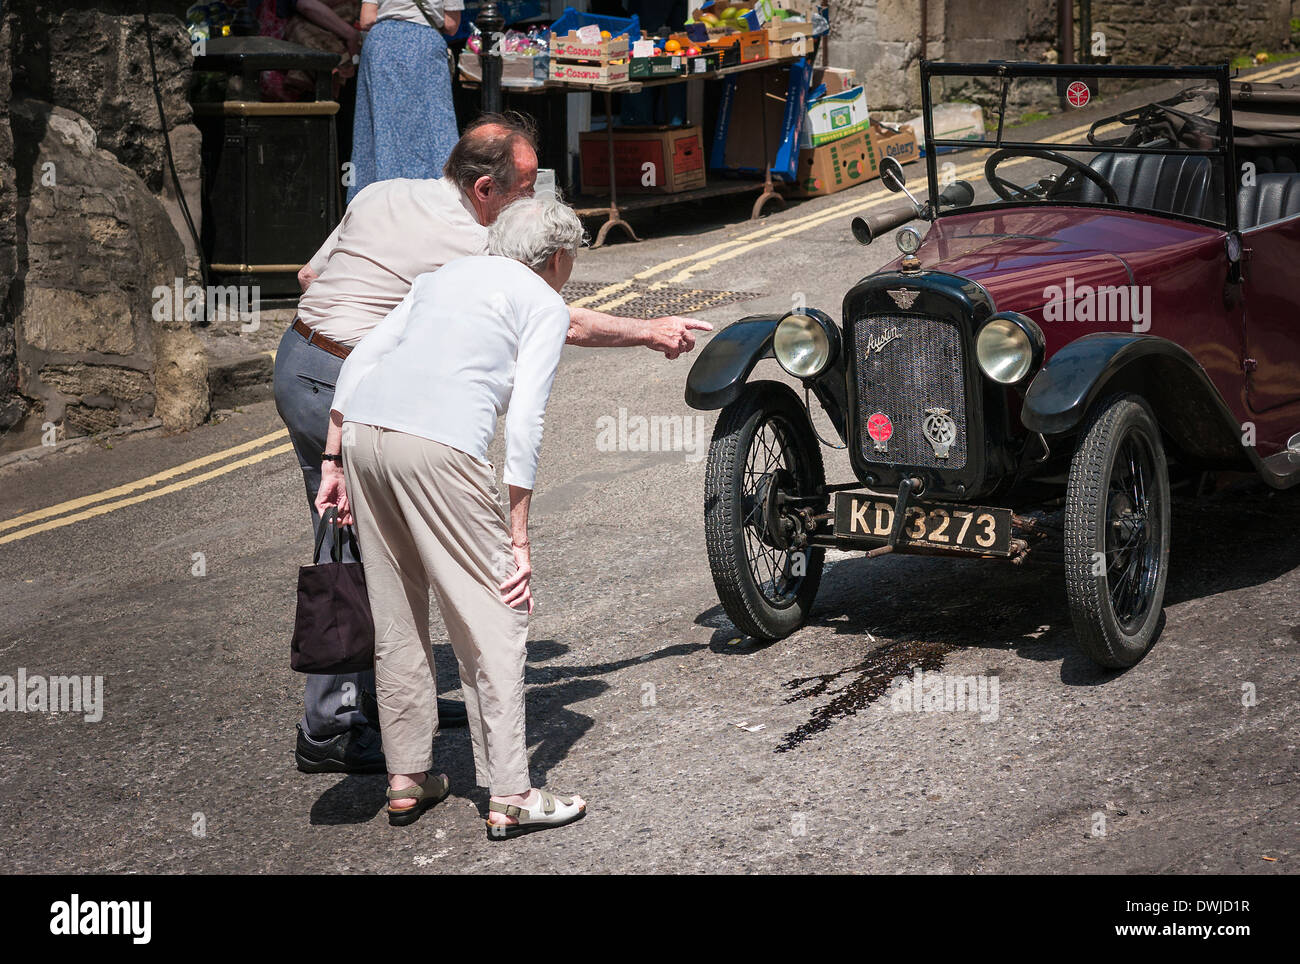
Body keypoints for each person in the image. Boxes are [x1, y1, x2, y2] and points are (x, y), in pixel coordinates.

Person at [278, 113, 709, 776]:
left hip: (302, 362)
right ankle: (332, 726)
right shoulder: (468, 241)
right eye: (526, 186)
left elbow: (311, 275)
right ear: (484, 188)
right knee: (358, 551)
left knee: (372, 543)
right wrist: (649, 330)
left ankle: (396, 710)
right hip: (347, 381)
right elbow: (551, 316)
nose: (533, 201)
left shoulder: (382, 192)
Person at [318, 196, 587, 836]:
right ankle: (513, 793)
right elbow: (525, 420)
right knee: (496, 614)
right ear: (556, 256)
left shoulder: (440, 279)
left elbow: (359, 359)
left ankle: (408, 775)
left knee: (395, 615)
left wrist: (333, 461)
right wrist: (517, 535)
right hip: (440, 446)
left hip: (365, 438)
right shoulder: (545, 302)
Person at [348, 0, 462, 204]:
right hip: (425, 47)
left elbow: (367, 19)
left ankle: (378, 203)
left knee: (381, 130)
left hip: (382, 47)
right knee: (435, 128)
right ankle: (440, 201)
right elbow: (451, 25)